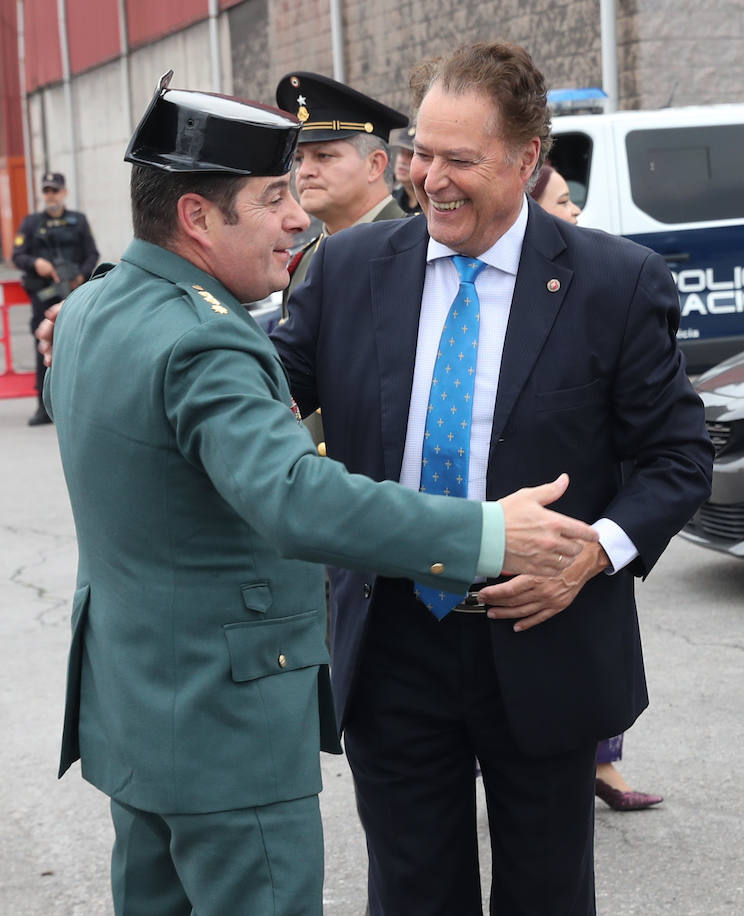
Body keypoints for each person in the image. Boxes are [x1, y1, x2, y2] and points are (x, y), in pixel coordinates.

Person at [41, 72, 598, 915]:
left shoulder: (91, 310)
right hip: (226, 736)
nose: (298, 217)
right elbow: (296, 498)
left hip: (137, 722)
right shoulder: (205, 342)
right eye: (272, 199)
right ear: (197, 217)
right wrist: (490, 534)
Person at [271, 41, 712, 914]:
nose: (430, 179)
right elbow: (258, 390)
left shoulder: (614, 284)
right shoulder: (351, 268)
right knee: (411, 890)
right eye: (419, 154)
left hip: (544, 635)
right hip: (392, 635)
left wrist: (594, 553)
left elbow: (678, 458)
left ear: (526, 160)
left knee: (546, 891)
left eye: (459, 160)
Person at [530, 160, 662, 811]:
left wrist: (607, 542)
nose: (573, 211)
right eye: (560, 201)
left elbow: (672, 452)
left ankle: (603, 763)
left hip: (590, 521)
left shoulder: (616, 281)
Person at [276, 71, 409, 307]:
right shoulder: (304, 262)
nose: (305, 171)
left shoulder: (415, 249)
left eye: (324, 156)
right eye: (299, 158)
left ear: (374, 165)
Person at [12, 171, 98, 425]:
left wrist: (82, 276)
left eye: (55, 190)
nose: (51, 195)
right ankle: (43, 405)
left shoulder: (78, 221)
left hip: (73, 294)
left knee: (78, 346)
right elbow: (18, 254)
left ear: (64, 193)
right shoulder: (30, 224)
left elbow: (92, 254)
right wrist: (36, 262)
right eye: (47, 191)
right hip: (44, 295)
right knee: (44, 347)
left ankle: (79, 405)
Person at [390, 121, 423, 215]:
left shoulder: (434, 204)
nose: (402, 160)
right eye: (401, 152)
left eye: (411, 154)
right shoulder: (393, 200)